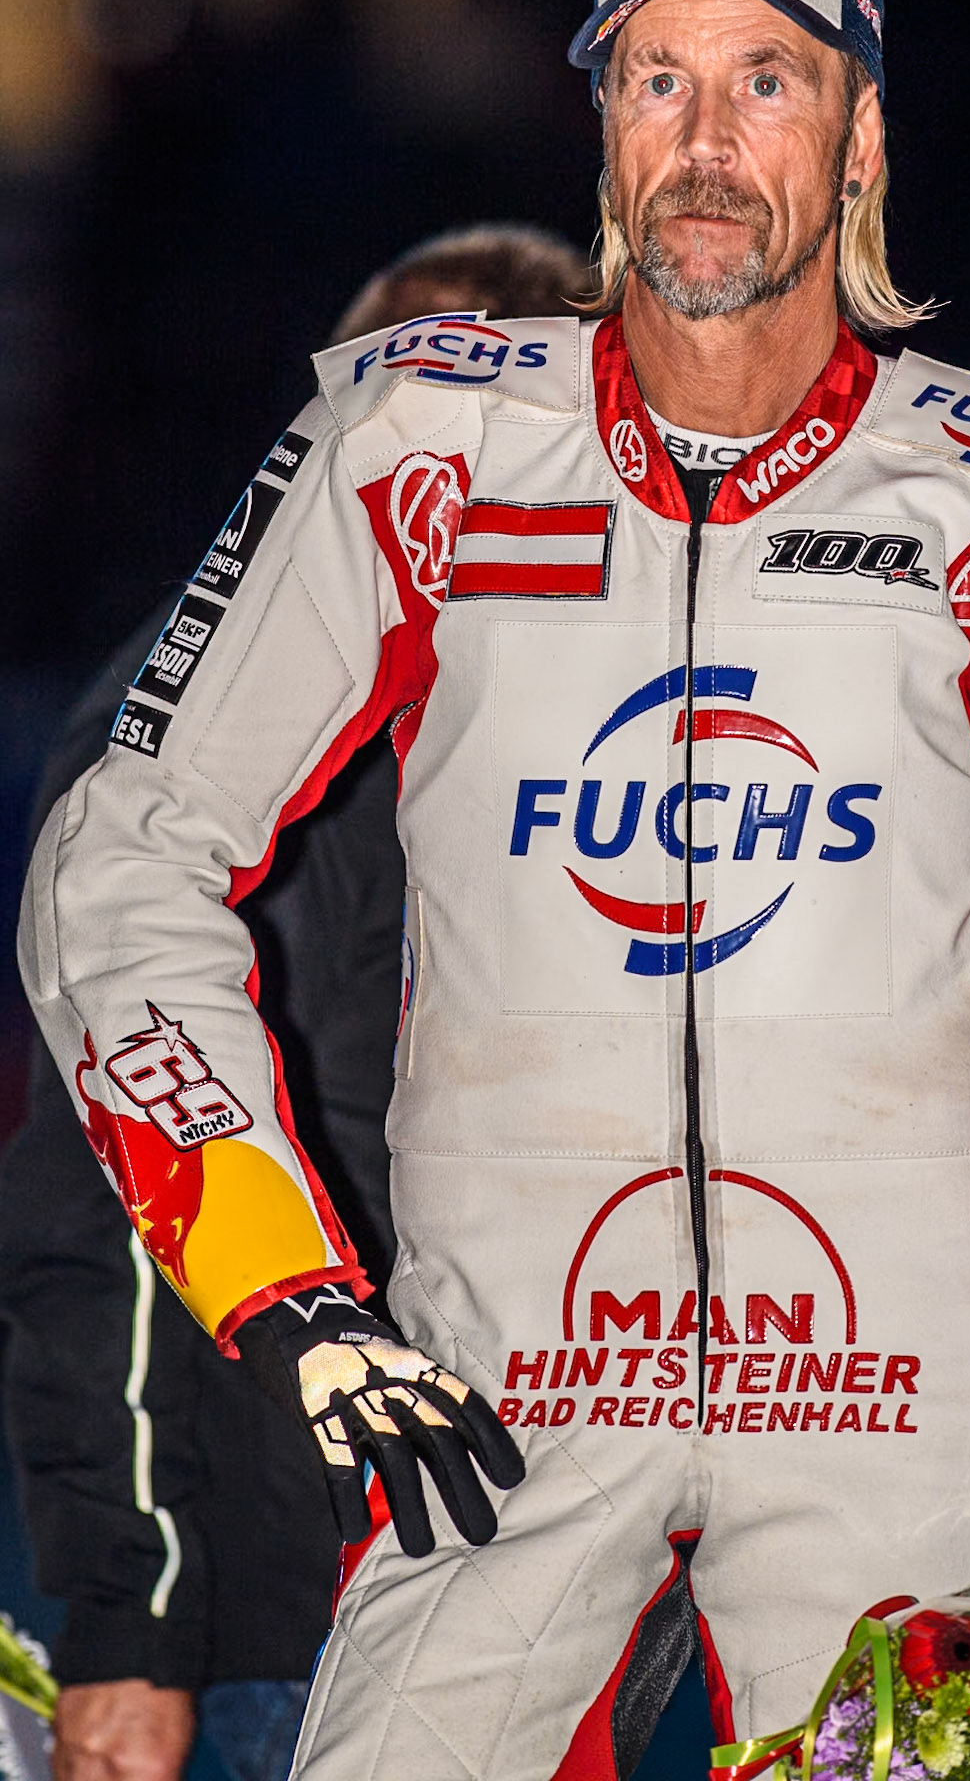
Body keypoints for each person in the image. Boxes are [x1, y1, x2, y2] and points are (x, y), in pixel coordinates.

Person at [17, 0, 970, 1780]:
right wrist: (283, 1292)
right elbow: (119, 858)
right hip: (503, 1420)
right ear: (603, 130)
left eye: (767, 82)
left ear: (860, 141)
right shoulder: (412, 451)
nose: (706, 140)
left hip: (908, 1420)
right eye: (656, 80)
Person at [0, 227, 589, 1781]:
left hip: (566, 1583)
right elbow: (107, 1200)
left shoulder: (620, 731)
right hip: (308, 1599)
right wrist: (132, 1628)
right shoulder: (190, 744)